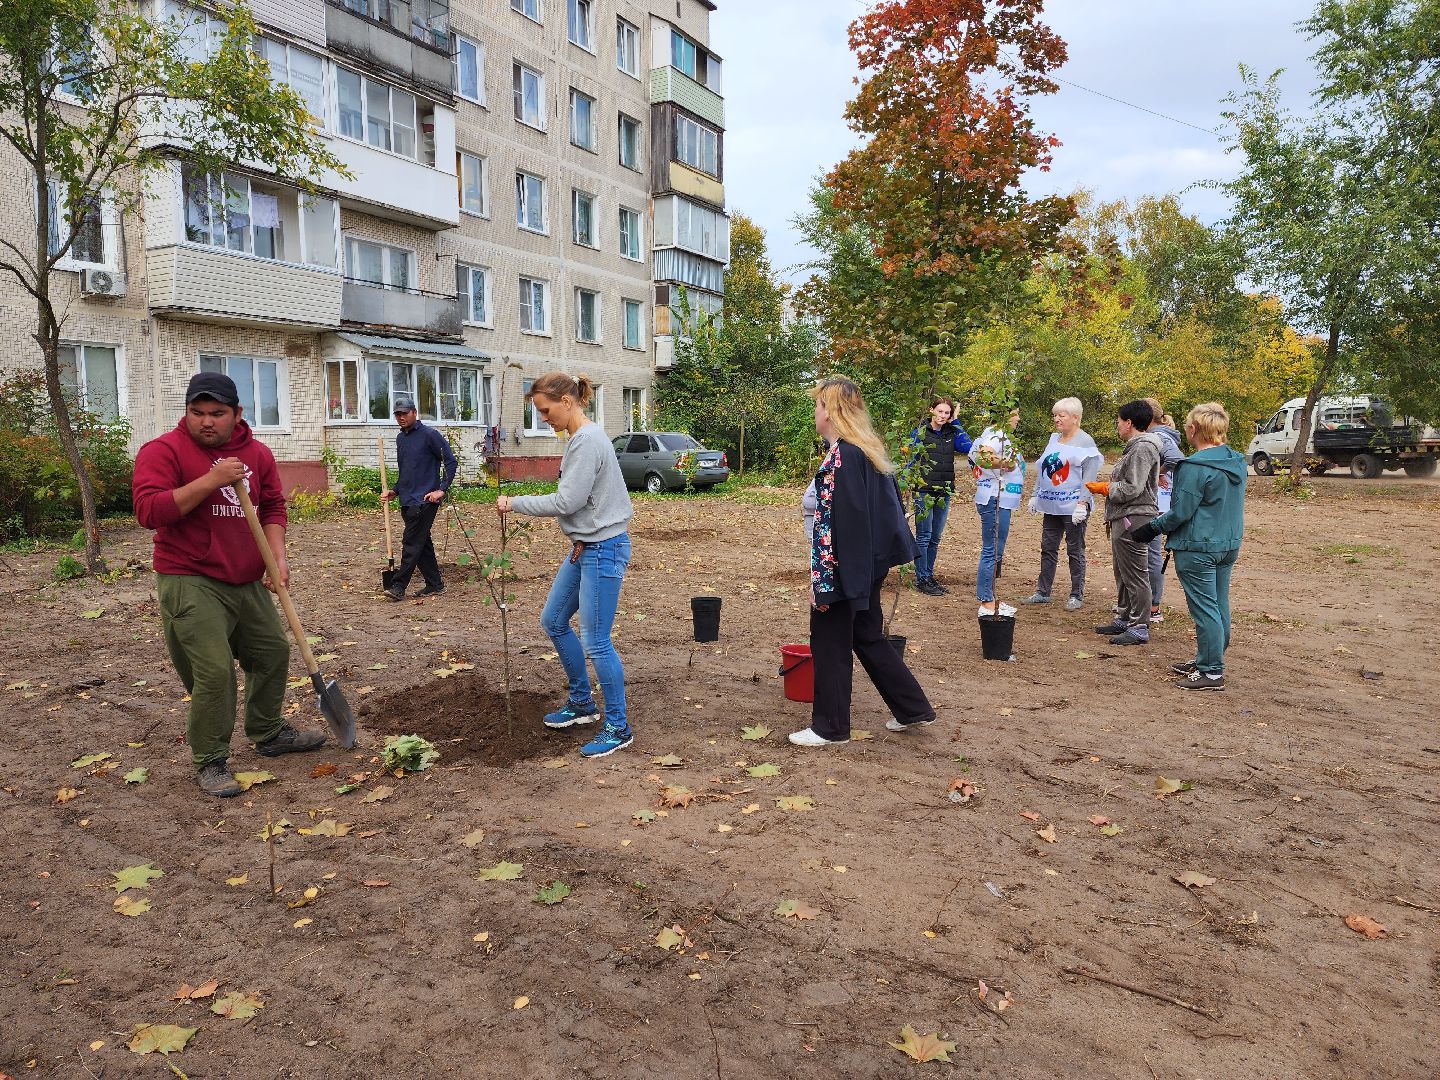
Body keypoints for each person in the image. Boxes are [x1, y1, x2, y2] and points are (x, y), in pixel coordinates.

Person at [132, 372, 326, 798]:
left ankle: (268, 731)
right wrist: (210, 481)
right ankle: (211, 759)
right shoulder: (163, 451)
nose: (206, 421)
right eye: (197, 412)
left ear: (237, 414)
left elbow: (273, 505)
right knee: (214, 673)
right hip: (190, 579)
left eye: (217, 413)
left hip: (245, 578)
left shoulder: (256, 453)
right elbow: (149, 510)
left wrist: (277, 558)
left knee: (272, 650)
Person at [790, 377, 936, 747]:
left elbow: (843, 526)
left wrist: (827, 584)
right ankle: (912, 707)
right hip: (863, 567)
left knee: (830, 641)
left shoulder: (845, 457)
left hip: (846, 569)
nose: (815, 412)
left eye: (819, 405)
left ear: (832, 412)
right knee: (867, 635)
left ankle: (830, 727)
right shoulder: (863, 451)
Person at [497, 373, 635, 758]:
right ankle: (582, 703)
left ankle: (618, 726)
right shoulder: (579, 439)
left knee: (597, 640)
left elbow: (567, 501)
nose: (544, 418)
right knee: (553, 620)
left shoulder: (588, 440)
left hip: (604, 549)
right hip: (585, 547)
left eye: (545, 410)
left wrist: (516, 502)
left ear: (568, 402)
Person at [1132, 402, 1247, 690]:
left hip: (1198, 547)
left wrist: (1151, 529)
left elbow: (1181, 511)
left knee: (1205, 607)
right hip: (1227, 543)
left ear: (1193, 430)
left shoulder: (1195, 467)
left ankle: (1212, 670)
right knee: (1218, 603)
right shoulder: (1236, 461)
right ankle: (1209, 658)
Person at [1093, 400, 1165, 646]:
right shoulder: (1135, 447)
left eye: (1119, 422)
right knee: (1122, 570)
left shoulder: (1142, 448)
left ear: (1129, 423)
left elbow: (1133, 487)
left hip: (1134, 516)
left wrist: (1107, 488)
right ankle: (1125, 616)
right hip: (1124, 515)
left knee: (1135, 572)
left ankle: (1139, 625)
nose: (1117, 426)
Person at [1023, 397, 1103, 609]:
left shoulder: (1086, 443)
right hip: (1051, 505)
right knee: (1048, 547)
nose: (1056, 419)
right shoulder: (1054, 439)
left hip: (1073, 506)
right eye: (1055, 415)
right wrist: (1035, 494)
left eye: (1062, 415)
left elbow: (1090, 477)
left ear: (1075, 418)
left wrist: (1082, 503)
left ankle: (1077, 594)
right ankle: (1043, 591)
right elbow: (1043, 468)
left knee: (1074, 550)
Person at [380, 398, 457, 601]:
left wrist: (441, 489)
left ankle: (398, 586)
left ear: (415, 412)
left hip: (425, 500)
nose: (401, 417)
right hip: (406, 499)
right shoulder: (401, 438)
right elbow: (407, 471)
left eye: (405, 413)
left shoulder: (429, 435)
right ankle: (435, 584)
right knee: (422, 543)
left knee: (411, 542)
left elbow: (450, 461)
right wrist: (395, 490)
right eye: (398, 414)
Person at [905, 397, 973, 596]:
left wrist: (957, 423)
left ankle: (929, 574)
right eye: (940, 411)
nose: (943, 416)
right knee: (924, 536)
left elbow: (969, 448)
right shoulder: (920, 432)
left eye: (947, 413)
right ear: (931, 410)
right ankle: (922, 578)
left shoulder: (952, 433)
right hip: (924, 491)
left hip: (944, 491)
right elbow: (911, 458)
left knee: (935, 537)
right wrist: (906, 485)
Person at [969, 407, 1025, 617]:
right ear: (1004, 414)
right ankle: (986, 603)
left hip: (1000, 500)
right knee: (992, 551)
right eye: (1015, 413)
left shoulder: (1001, 435)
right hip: (994, 499)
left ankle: (990, 598)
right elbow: (983, 457)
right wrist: (1005, 464)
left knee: (995, 551)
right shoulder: (995, 434)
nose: (1018, 418)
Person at [1143, 398, 1185, 624]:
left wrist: (1157, 472)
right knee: (1150, 554)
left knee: (1151, 555)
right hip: (1161, 503)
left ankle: (1153, 606)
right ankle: (1147, 602)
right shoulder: (1166, 435)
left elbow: (1177, 460)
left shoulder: (1158, 436)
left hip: (1156, 505)